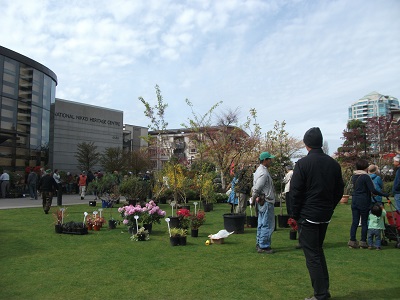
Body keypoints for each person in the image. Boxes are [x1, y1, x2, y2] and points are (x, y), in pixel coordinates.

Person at [290, 127, 344, 300]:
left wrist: (294, 214)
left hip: (309, 215)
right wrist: (330, 206)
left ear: (306, 145)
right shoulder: (333, 164)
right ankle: (323, 291)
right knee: (318, 252)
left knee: (312, 255)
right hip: (324, 214)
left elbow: (295, 192)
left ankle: (320, 294)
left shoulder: (303, 164)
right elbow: (339, 190)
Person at [348, 159, 389, 249]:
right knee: (364, 221)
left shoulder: (354, 176)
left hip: (354, 199)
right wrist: (384, 194)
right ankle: (363, 241)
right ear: (365, 167)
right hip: (363, 200)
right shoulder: (365, 177)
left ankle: (352, 241)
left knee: (355, 221)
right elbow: (373, 190)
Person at [252, 151, 276, 254]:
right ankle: (264, 246)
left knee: (261, 223)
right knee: (267, 224)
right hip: (266, 201)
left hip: (261, 201)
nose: (271, 161)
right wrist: (253, 198)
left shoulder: (259, 170)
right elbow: (257, 187)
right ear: (265, 160)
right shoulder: (264, 172)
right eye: (269, 159)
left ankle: (259, 243)